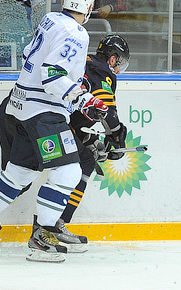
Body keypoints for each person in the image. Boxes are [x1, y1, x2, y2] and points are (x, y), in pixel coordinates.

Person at [0, 0, 106, 263]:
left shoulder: (51, 19)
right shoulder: (76, 33)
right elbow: (52, 75)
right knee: (69, 172)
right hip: (43, 112)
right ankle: (42, 238)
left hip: (19, 105)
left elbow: (33, 58)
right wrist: (83, 98)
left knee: (20, 173)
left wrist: (76, 90)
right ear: (89, 7)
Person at [54, 34, 131, 246]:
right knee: (86, 162)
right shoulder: (103, 71)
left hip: (42, 116)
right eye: (120, 63)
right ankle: (55, 224)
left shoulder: (86, 63)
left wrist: (89, 138)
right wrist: (117, 136)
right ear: (113, 59)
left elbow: (78, 113)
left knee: (18, 172)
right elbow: (107, 113)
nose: (118, 69)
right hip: (53, 123)